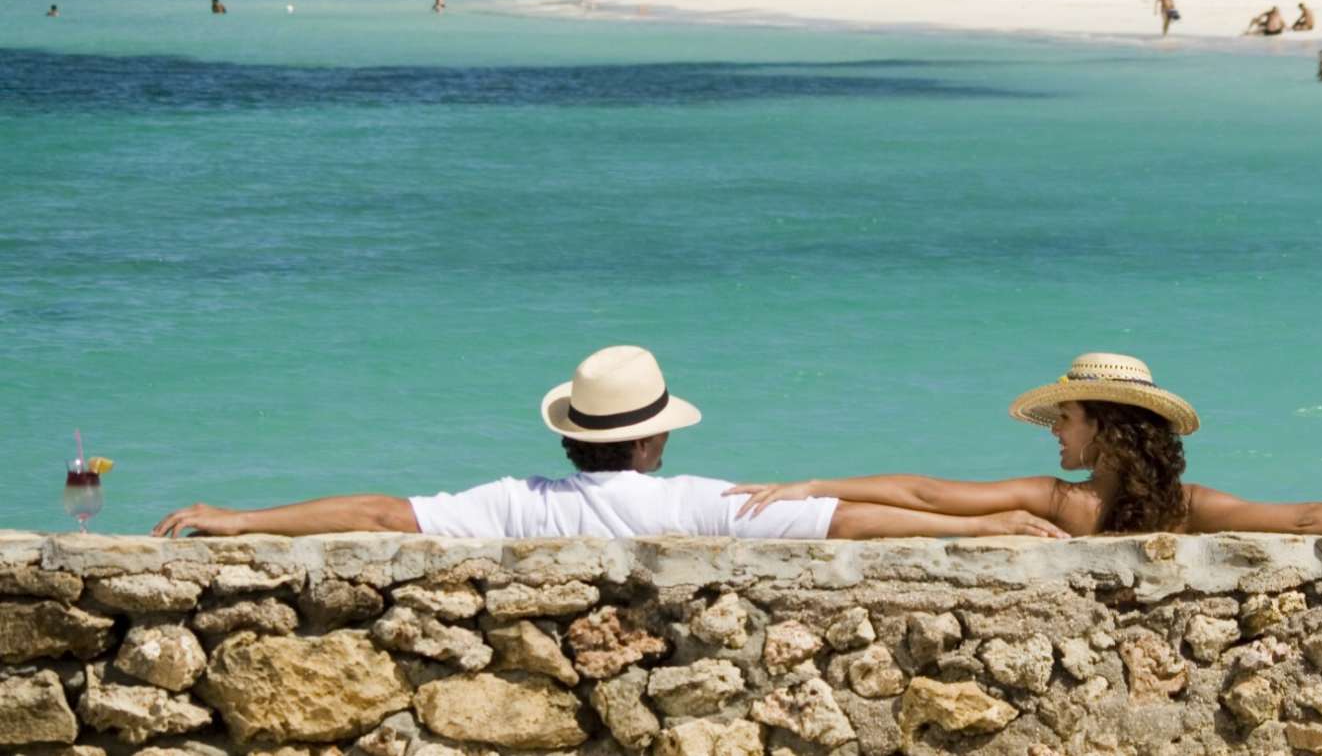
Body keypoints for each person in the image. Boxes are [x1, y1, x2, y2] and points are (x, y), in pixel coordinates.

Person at [151, 346, 1063, 540]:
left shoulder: (516, 502)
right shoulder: (696, 501)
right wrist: (987, 529)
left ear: (578, 435)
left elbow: (378, 511)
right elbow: (852, 523)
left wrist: (243, 521)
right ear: (655, 439)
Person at [729, 352, 1322, 539]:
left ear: (1101, 423)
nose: (1056, 431)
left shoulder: (1059, 501)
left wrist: (811, 485)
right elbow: (1300, 517)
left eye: (1065, 417)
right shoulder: (1184, 507)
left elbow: (930, 495)